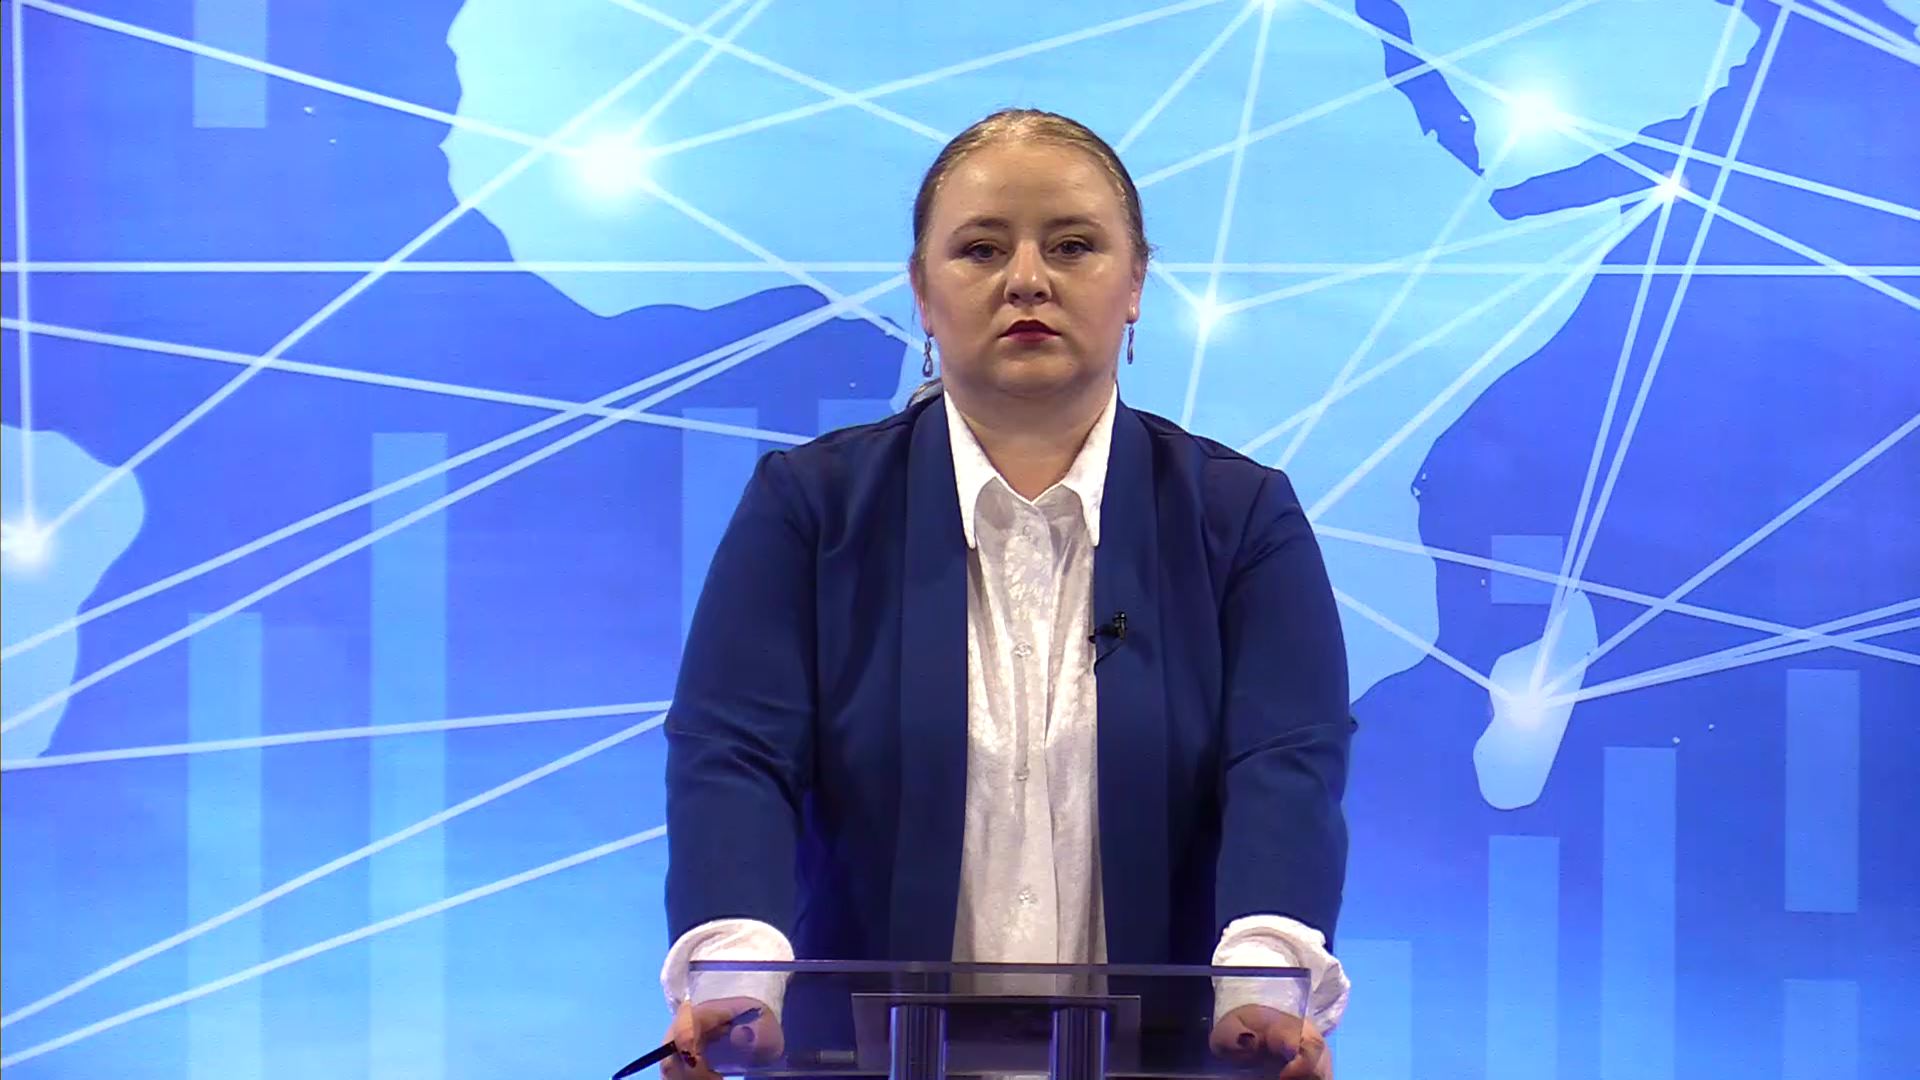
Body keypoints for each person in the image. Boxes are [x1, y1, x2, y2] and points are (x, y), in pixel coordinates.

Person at [658, 109, 1354, 1080]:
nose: (1027, 279)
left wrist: (1265, 989)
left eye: (1072, 246)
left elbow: (1283, 766)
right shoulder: (809, 510)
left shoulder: (1240, 521)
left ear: (1136, 284)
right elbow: (736, 754)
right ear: (922, 291)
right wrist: (735, 977)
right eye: (982, 249)